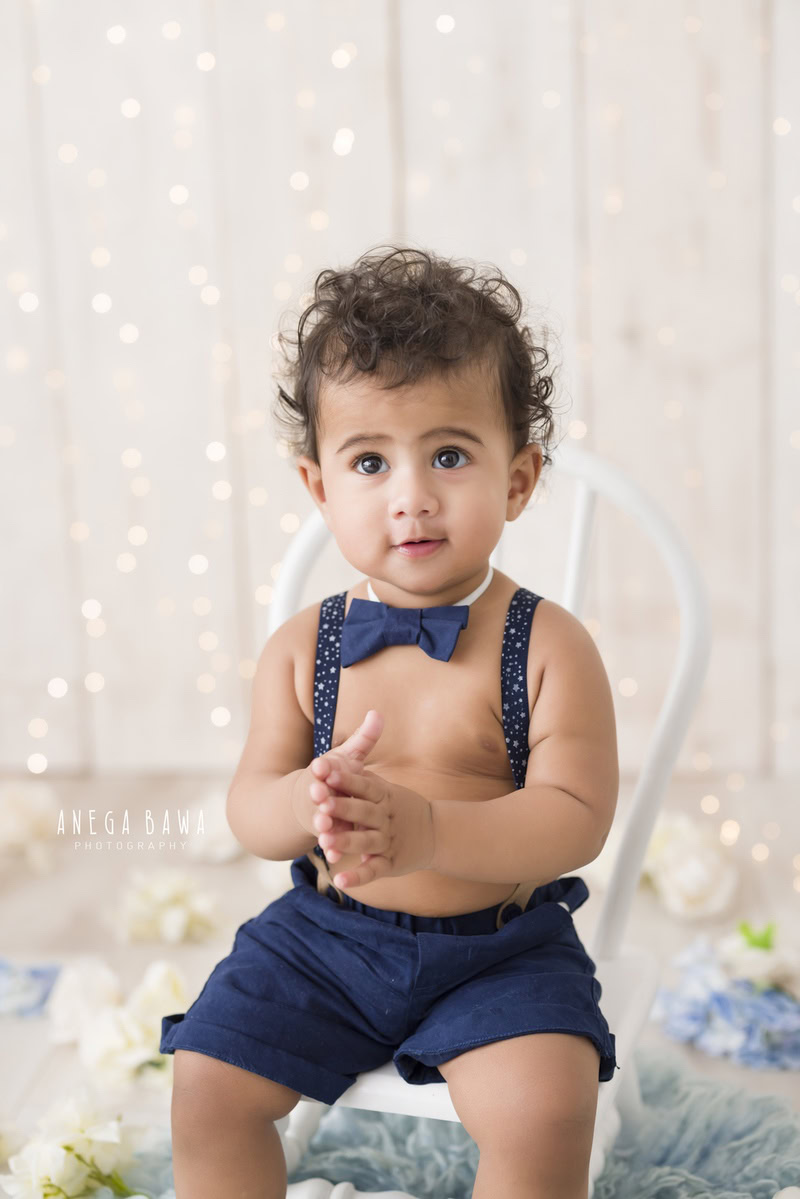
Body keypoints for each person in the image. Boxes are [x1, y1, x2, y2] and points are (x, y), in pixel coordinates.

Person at [160, 244, 620, 1199]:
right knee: (207, 1083)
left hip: (500, 947)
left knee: (546, 1108)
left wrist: (433, 829)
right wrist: (303, 798)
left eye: (449, 454)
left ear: (520, 479)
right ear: (322, 488)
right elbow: (249, 808)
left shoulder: (546, 644)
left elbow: (576, 817)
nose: (410, 494)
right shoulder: (303, 648)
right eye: (370, 460)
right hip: (326, 936)